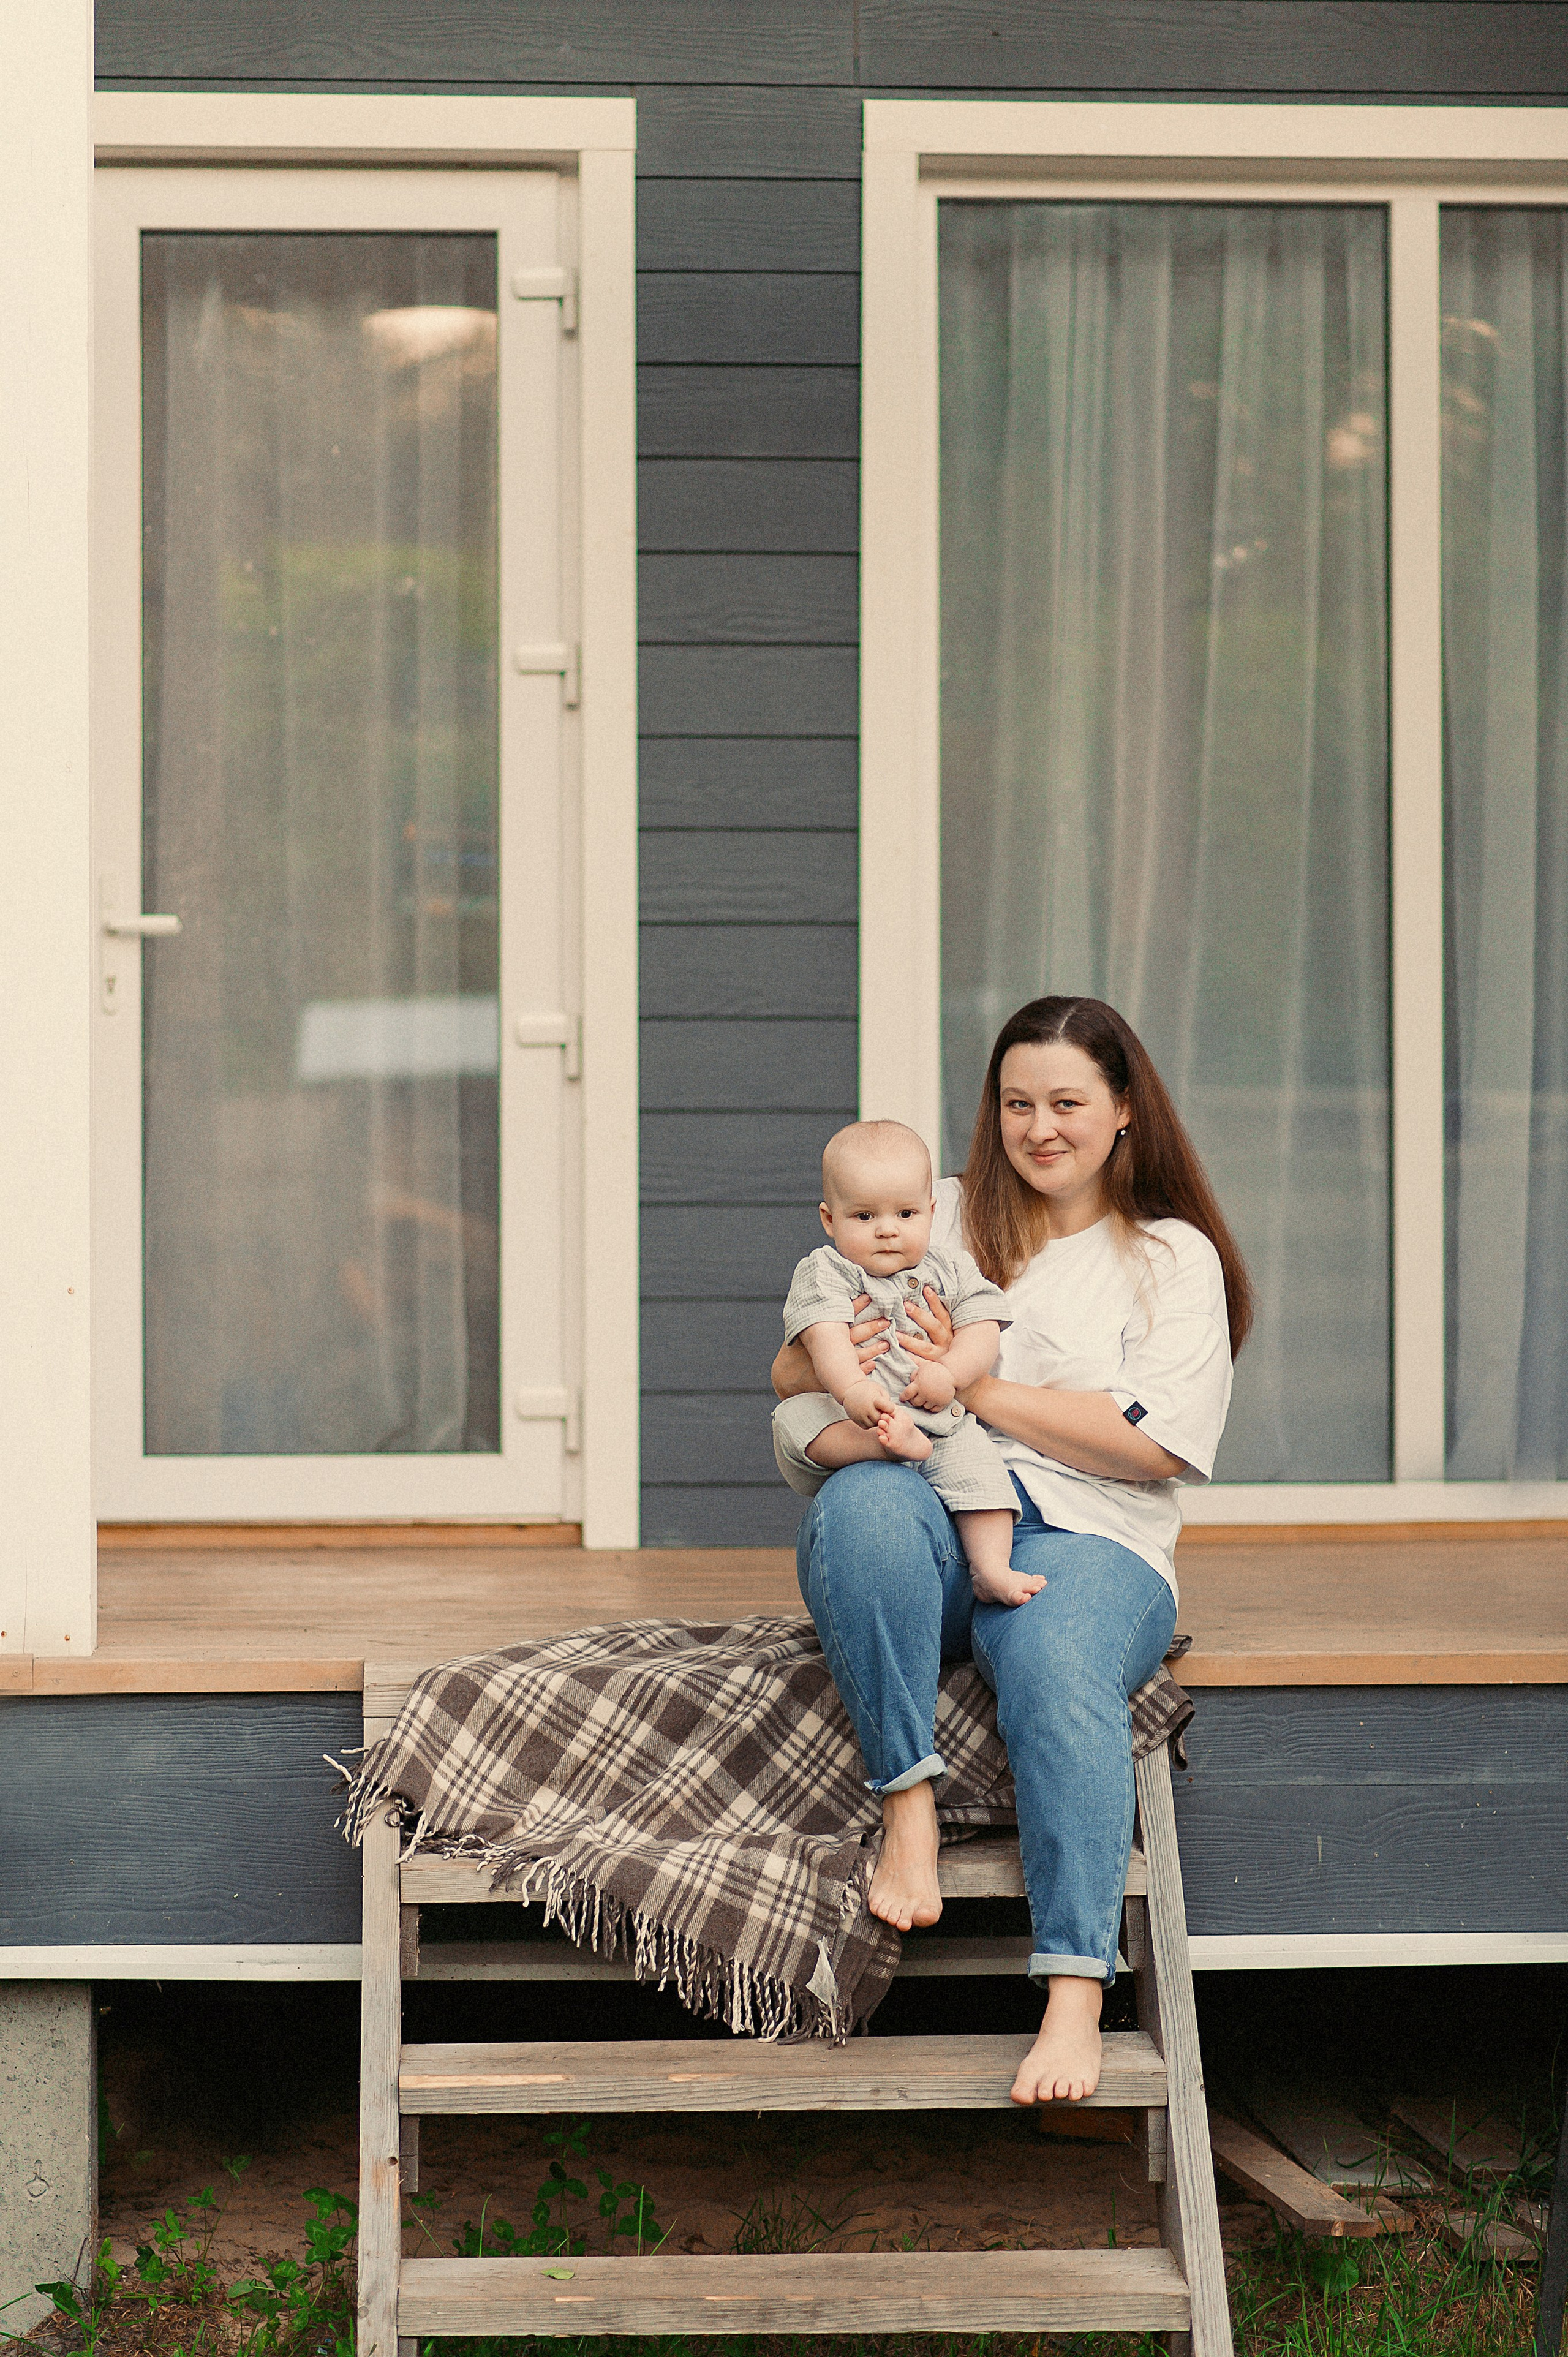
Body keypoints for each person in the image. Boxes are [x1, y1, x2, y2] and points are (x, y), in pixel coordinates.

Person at [772, 995, 1251, 2106]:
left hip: (1095, 1533)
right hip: (936, 1507)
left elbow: (1152, 1445)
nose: (1041, 1126)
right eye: (1018, 1101)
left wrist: (977, 1385)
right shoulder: (931, 1210)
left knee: (1050, 1661)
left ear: (1125, 1110)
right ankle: (908, 1809)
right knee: (855, 1508)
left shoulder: (1171, 1256)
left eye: (1069, 1102)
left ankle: (1076, 1988)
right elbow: (792, 1374)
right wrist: (857, 1369)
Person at [771, 1118, 1028, 1607]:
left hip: (937, 1422)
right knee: (794, 1419)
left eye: (906, 1214)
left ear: (932, 1211)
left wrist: (950, 1373)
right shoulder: (826, 1270)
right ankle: (881, 1447)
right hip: (851, 1416)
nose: (888, 1230)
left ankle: (992, 1568)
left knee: (982, 1475)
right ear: (830, 1220)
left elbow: (983, 1326)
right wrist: (850, 1389)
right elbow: (824, 1335)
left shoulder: (951, 1267)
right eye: (865, 1217)